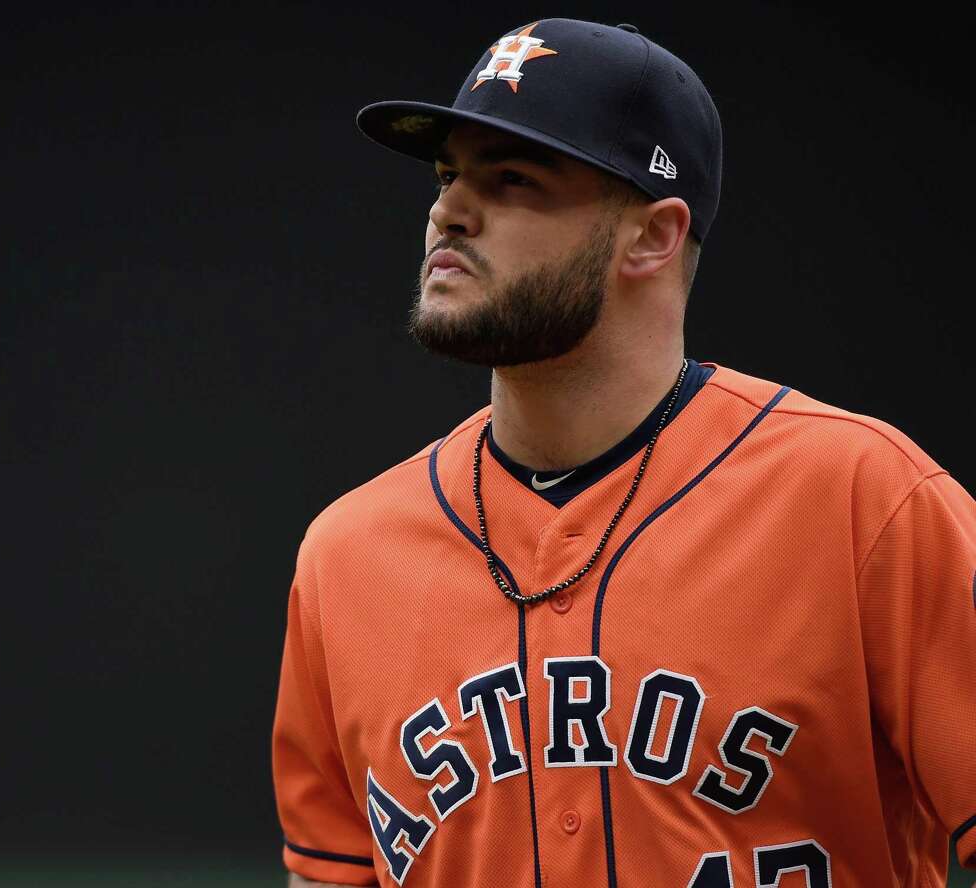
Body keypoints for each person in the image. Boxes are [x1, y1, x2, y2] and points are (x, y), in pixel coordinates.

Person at [270, 17, 976, 888]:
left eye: (514, 178)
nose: (448, 208)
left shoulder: (867, 502)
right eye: (450, 173)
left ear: (652, 236)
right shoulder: (346, 557)